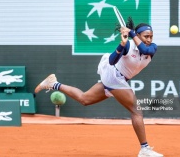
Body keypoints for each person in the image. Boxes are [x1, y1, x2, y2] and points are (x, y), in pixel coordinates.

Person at [34, 18, 163, 157]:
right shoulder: (128, 46)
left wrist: (131, 33)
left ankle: (53, 84)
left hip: (118, 78)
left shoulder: (152, 48)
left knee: (85, 99)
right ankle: (144, 149)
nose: (149, 39)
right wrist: (122, 44)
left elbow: (144, 49)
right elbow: (112, 61)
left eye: (151, 36)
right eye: (146, 36)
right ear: (138, 36)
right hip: (113, 74)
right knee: (136, 111)